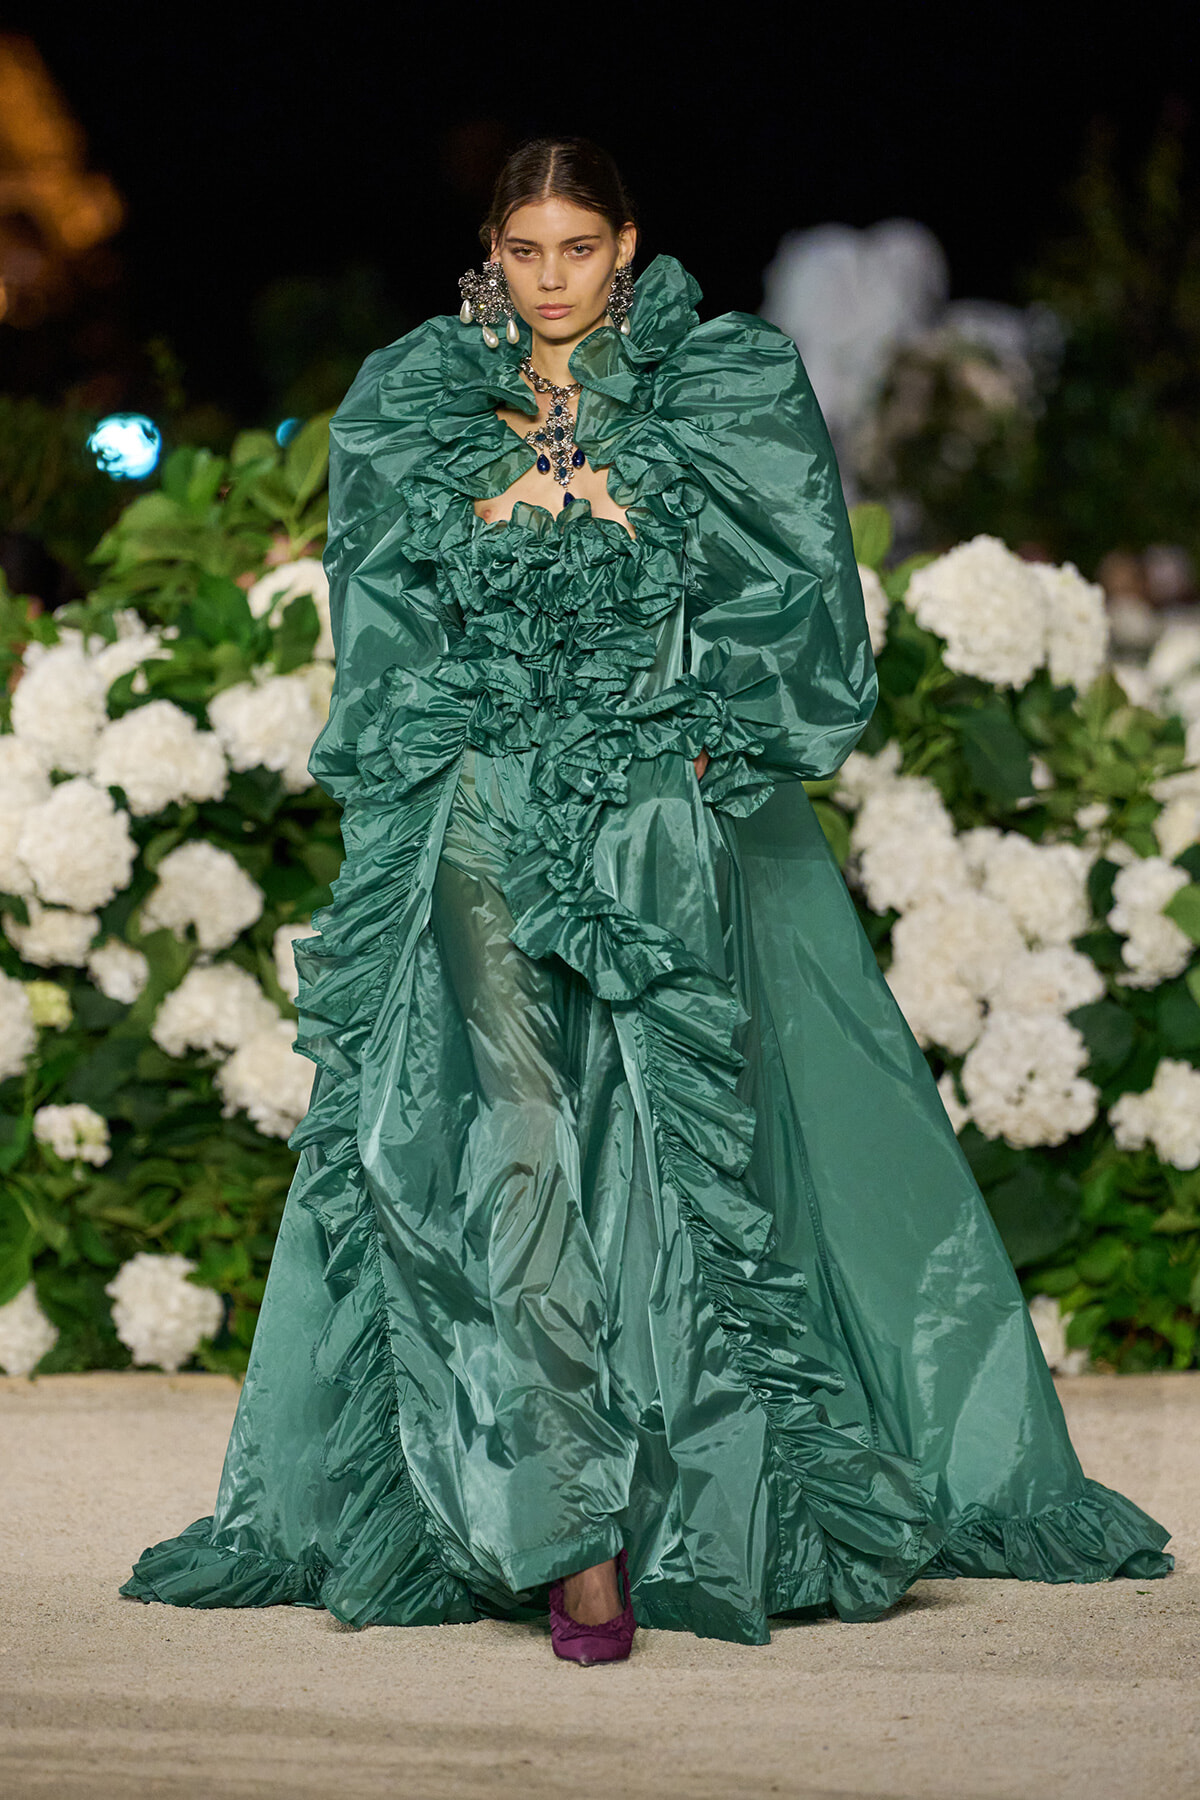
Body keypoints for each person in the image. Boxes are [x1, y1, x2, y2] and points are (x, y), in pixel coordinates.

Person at [121, 136, 1173, 1665]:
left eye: (579, 249)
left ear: (629, 246)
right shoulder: (421, 397)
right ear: (495, 249)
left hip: (650, 819)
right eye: (527, 252)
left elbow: (808, 608)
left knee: (675, 1145)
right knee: (524, 1123)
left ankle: (689, 1502)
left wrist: (704, 719)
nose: (553, 280)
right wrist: (486, 535)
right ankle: (575, 1539)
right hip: (483, 802)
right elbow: (384, 632)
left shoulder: (724, 388)